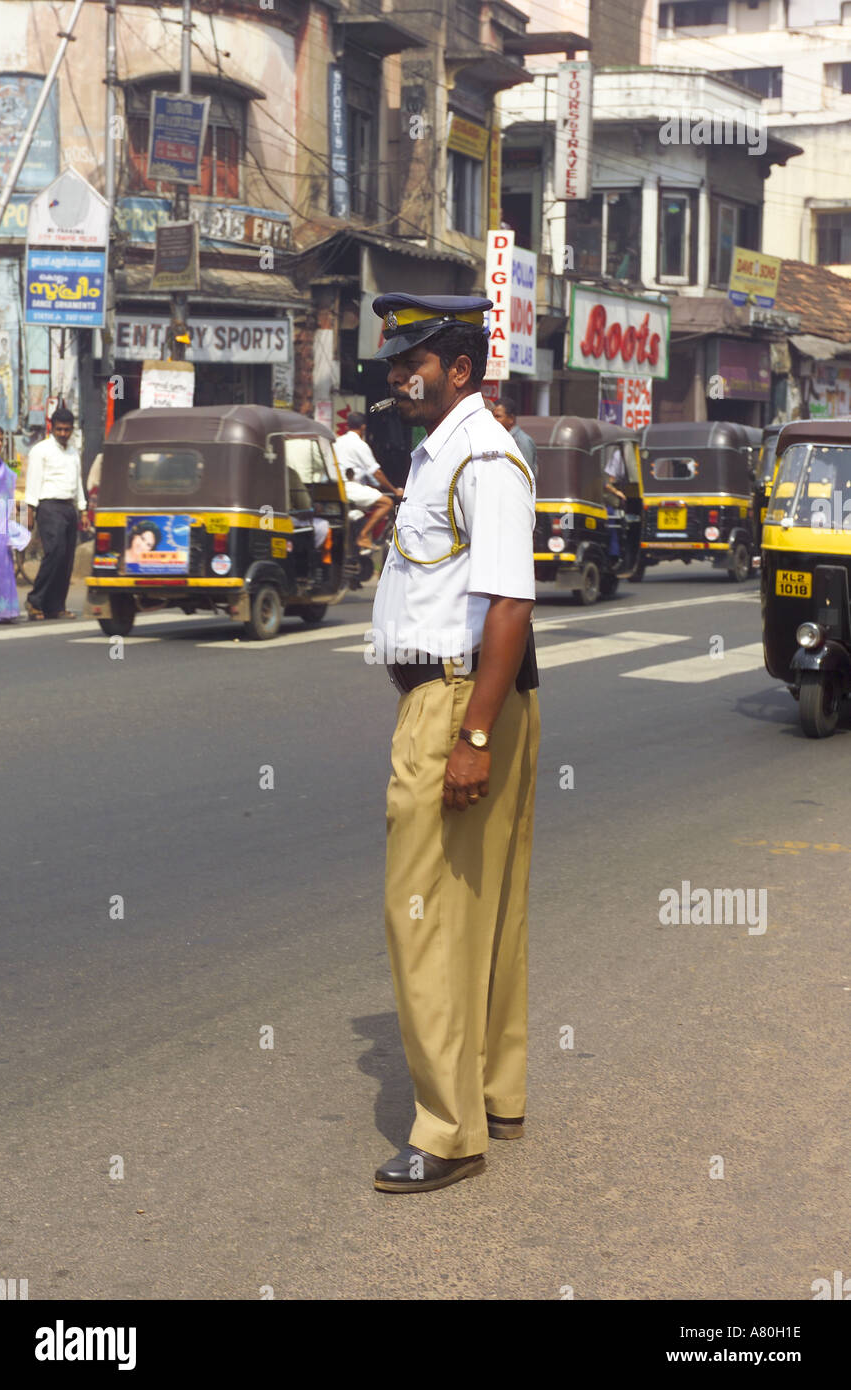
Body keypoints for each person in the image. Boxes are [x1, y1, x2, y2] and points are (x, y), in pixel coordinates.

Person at [369, 292, 540, 1194]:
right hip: (456, 698)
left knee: (422, 912)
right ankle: (494, 1095)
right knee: (482, 904)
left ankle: (447, 1131)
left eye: (417, 361)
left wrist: (472, 733)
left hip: (458, 702)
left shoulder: (481, 454)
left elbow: (510, 599)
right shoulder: (442, 456)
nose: (400, 374)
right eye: (396, 362)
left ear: (460, 370)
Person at [24, 407, 88, 620]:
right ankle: (35, 601)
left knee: (67, 558)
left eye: (67, 430)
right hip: (49, 506)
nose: (63, 434)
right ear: (52, 427)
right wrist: (29, 512)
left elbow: (77, 481)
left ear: (72, 429)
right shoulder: (40, 450)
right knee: (55, 553)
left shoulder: (73, 451)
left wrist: (83, 508)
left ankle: (56, 606)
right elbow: (33, 481)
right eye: (59, 429)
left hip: (69, 507)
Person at [335, 412, 402, 552]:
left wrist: (377, 486)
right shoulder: (359, 445)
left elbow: (367, 476)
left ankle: (355, 546)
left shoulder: (337, 441)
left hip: (337, 487)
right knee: (387, 503)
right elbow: (376, 472)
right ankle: (363, 536)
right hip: (350, 488)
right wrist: (394, 490)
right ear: (363, 427)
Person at [0, 422, 26, 623]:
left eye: (1, 439)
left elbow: (10, 491)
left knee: (1, 566)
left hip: (0, 524)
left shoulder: (4, 467)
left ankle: (1, 610)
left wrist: (19, 510)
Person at [492, 396, 537, 479]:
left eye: (498, 416)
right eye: (492, 416)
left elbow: (526, 475)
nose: (494, 420)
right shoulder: (499, 438)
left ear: (511, 419)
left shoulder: (522, 441)